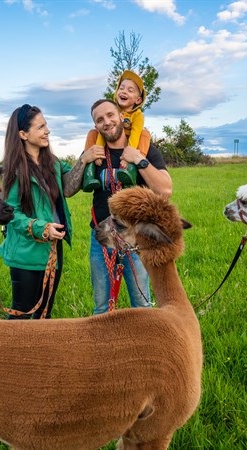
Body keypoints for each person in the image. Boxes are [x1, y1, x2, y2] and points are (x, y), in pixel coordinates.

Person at [0, 104, 98, 319]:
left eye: (46, 125)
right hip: (25, 252)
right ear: (23, 134)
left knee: (44, 313)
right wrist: (41, 228)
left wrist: (84, 159)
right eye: (40, 127)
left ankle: (39, 352)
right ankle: (8, 351)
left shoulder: (51, 162)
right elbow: (10, 213)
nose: (47, 131)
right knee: (22, 313)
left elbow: (70, 187)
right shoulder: (13, 169)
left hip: (53, 248)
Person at [83, 98, 172, 315]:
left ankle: (143, 348)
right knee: (102, 307)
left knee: (142, 306)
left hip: (136, 239)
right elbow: (69, 189)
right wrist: (83, 160)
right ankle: (102, 348)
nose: (106, 122)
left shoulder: (144, 149)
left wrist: (139, 159)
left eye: (110, 115)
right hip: (102, 238)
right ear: (96, 126)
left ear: (121, 117)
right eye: (99, 119)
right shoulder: (94, 153)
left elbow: (165, 190)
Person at [82, 70, 151, 192]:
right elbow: (104, 131)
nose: (124, 91)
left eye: (130, 90)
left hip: (131, 144)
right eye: (121, 88)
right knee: (93, 133)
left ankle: (131, 170)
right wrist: (98, 150)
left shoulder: (137, 115)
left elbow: (135, 135)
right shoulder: (110, 110)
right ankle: (89, 173)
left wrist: (128, 156)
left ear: (138, 100)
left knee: (145, 134)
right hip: (110, 142)